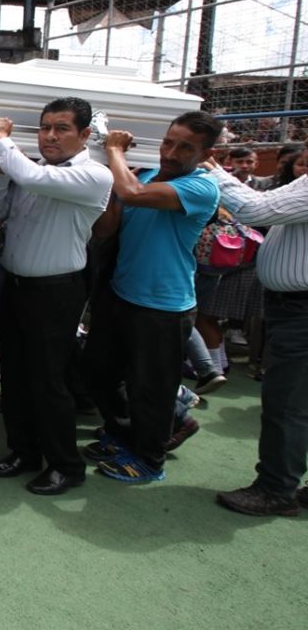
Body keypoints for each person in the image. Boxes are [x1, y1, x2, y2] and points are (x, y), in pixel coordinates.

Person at [0, 98, 113, 496]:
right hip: (16, 286)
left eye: (61, 128)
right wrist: (2, 172)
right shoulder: (30, 170)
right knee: (16, 377)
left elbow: (37, 181)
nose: (50, 136)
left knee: (49, 382)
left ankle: (65, 465)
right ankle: (24, 451)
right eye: (43, 128)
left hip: (56, 292)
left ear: (85, 134)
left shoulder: (95, 175)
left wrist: (2, 141)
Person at [83, 112, 222, 484]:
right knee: (100, 373)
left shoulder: (201, 186)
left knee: (152, 389)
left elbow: (134, 195)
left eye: (185, 147)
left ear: (206, 153)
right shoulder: (142, 174)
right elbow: (109, 225)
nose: (171, 153)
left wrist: (113, 151)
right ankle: (123, 434)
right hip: (121, 294)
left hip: (163, 305)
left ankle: (149, 458)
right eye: (168, 142)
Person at [205, 154, 308, 515]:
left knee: (286, 404)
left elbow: (254, 209)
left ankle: (276, 489)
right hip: (290, 307)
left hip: (300, 311)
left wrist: (214, 172)